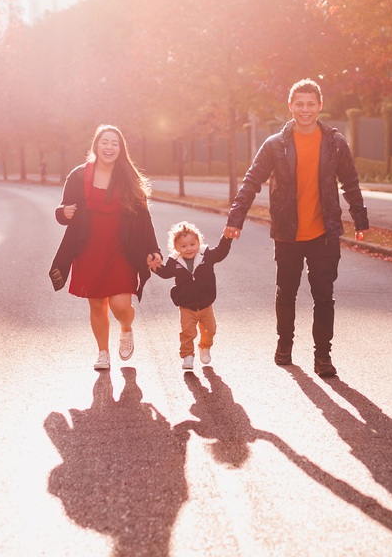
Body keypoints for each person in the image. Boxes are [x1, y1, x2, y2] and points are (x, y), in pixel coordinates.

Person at [224, 79, 368, 378]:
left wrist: (360, 219)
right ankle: (285, 344)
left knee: (324, 296)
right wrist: (235, 219)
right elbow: (251, 182)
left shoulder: (335, 142)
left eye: (310, 104)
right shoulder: (275, 145)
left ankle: (323, 356)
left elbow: (350, 183)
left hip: (323, 234)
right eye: (299, 104)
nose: (305, 109)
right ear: (291, 106)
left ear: (319, 105)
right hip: (287, 233)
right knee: (286, 292)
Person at [50, 126, 163, 371]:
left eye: (114, 143)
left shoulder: (128, 178)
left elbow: (144, 217)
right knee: (97, 305)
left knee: (121, 305)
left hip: (122, 249)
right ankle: (103, 352)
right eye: (105, 142)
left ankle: (126, 327)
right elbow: (63, 210)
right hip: (88, 249)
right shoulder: (78, 176)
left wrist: (153, 248)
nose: (109, 147)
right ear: (96, 145)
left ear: (120, 149)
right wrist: (63, 213)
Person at [154, 221, 233, 372]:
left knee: (210, 330)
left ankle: (204, 346)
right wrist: (155, 267)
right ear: (176, 248)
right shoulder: (174, 262)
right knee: (187, 332)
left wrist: (226, 238)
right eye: (183, 246)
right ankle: (187, 356)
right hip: (186, 307)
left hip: (206, 305)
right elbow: (165, 273)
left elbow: (221, 252)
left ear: (198, 242)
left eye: (192, 244)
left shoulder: (206, 256)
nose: (189, 248)